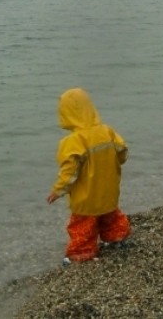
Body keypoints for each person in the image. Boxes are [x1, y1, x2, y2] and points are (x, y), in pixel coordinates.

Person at [46, 87, 131, 262]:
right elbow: (122, 151)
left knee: (83, 223)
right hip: (108, 190)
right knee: (110, 215)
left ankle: (82, 251)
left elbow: (70, 172)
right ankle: (117, 237)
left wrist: (58, 190)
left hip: (87, 196)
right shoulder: (106, 131)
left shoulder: (72, 142)